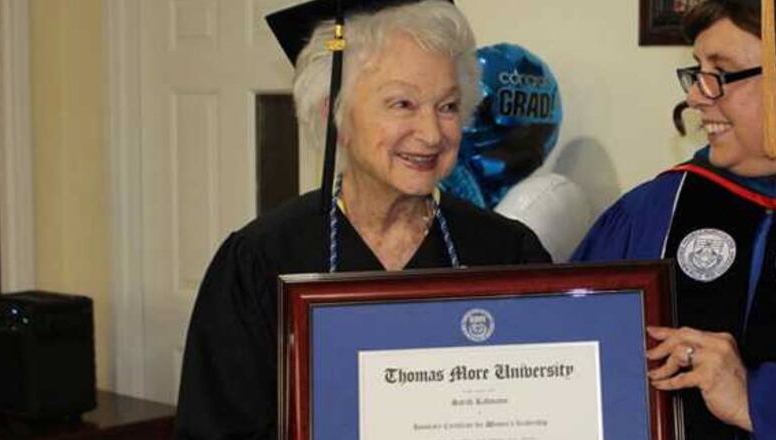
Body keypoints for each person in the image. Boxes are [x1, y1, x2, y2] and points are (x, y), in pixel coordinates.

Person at [174, 1, 551, 439]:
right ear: (334, 116)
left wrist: (639, 360)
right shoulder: (261, 261)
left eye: (447, 106)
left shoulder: (507, 252)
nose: (431, 133)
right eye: (403, 103)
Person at [572, 1, 775, 439]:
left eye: (719, 75)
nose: (695, 96)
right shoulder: (653, 214)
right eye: (696, 72)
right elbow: (572, 374)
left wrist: (755, 400)